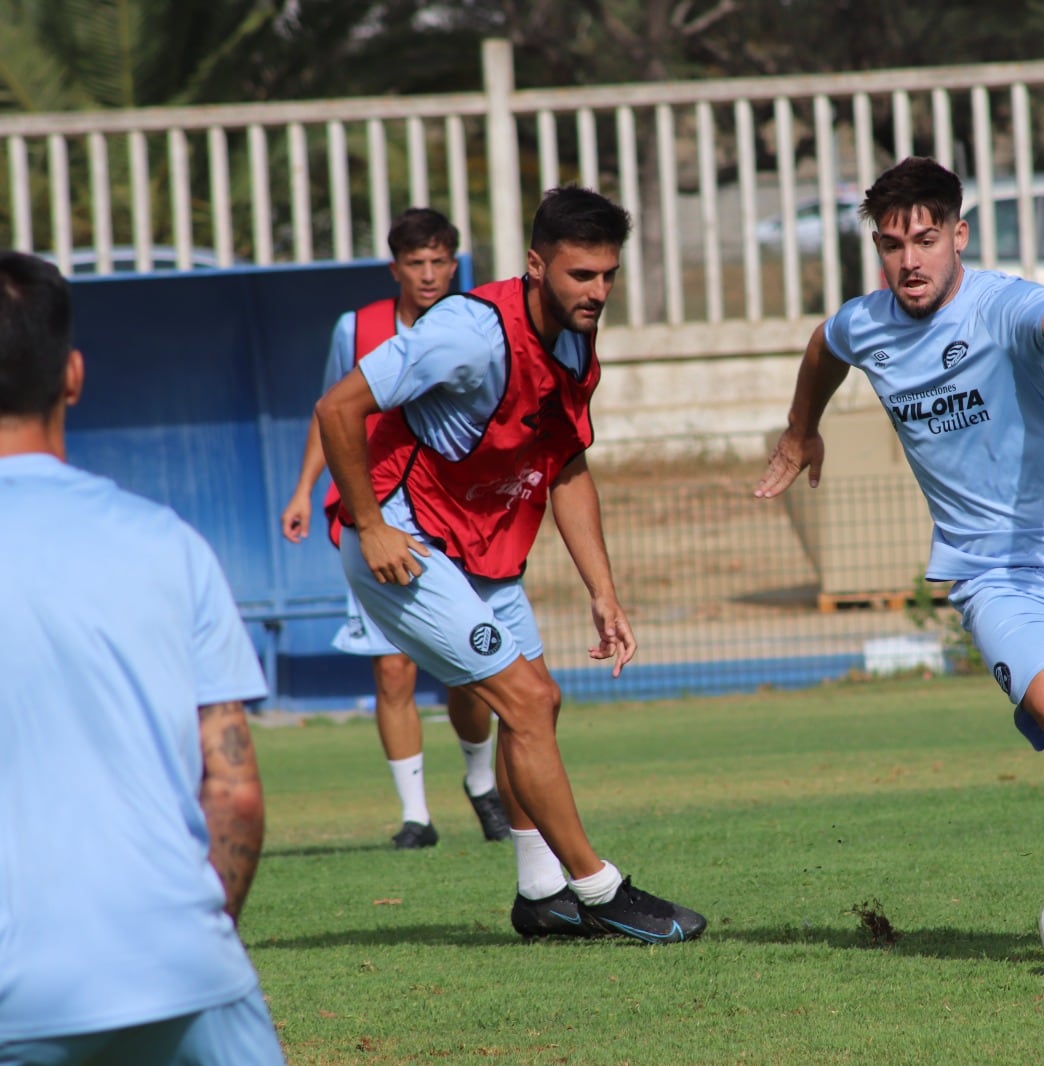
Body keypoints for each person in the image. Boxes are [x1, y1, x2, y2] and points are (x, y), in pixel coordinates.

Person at [755, 157, 1044, 955]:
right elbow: (824, 347)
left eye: (926, 239)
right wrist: (802, 429)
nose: (909, 260)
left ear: (958, 236)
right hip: (990, 574)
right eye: (891, 244)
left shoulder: (997, 304)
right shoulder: (866, 322)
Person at [315, 186, 705, 944]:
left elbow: (566, 468)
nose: (597, 292)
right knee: (524, 701)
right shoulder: (467, 332)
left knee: (541, 702)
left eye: (607, 275)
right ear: (536, 265)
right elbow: (337, 408)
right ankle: (600, 889)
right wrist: (368, 526)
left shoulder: (575, 339)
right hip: (405, 542)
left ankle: (539, 895)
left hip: (477, 553)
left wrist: (604, 592)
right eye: (580, 275)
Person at [0, 252, 283, 1063]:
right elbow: (234, 793)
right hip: (182, 966)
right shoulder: (169, 544)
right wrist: (186, 942)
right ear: (74, 375)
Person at [280, 207, 510, 850]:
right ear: (395, 267)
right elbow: (331, 410)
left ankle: (481, 783)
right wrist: (303, 490)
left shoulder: (476, 326)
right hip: (375, 514)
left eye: (441, 261)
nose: (430, 274)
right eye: (417, 262)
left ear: (456, 264)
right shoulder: (356, 329)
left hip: (456, 514)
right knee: (391, 671)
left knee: (471, 668)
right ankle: (415, 815)